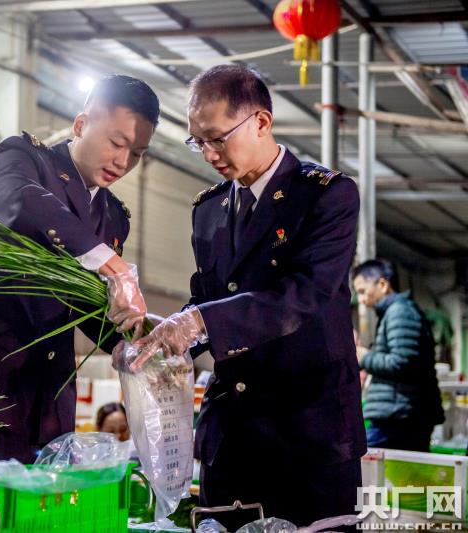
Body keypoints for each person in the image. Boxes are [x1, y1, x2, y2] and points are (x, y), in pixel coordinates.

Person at [126, 64, 366, 529]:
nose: (209, 153)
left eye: (217, 138)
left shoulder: (326, 196)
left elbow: (303, 295)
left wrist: (199, 324)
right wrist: (159, 343)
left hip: (308, 434)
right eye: (198, 141)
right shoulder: (210, 209)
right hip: (233, 434)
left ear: (260, 122)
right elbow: (205, 297)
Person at [0, 75, 159, 464]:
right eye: (116, 143)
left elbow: (82, 305)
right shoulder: (24, 159)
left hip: (51, 397)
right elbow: (19, 200)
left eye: (136, 153)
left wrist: (133, 343)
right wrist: (114, 266)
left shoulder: (114, 216)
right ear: (81, 125)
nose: (123, 162)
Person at [352, 259, 444, 451]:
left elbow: (402, 361)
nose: (361, 300)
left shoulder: (399, 312)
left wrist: (364, 357)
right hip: (400, 413)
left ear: (383, 285)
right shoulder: (393, 312)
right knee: (408, 477)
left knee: (359, 460)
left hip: (400, 415)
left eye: (362, 291)